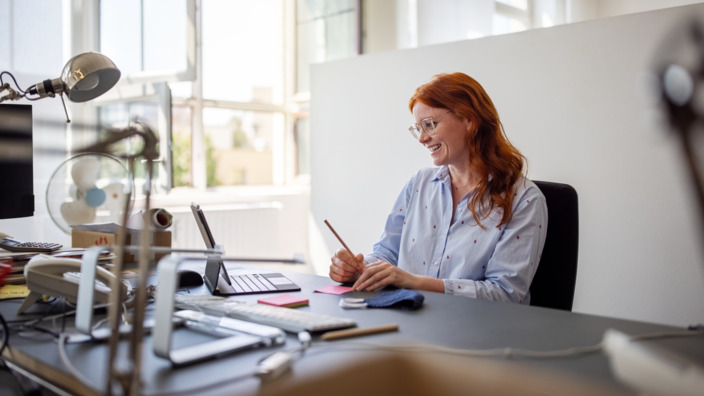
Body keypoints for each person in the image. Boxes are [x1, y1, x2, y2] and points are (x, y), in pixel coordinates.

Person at [329, 72, 548, 304]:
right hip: (409, 319)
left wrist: (413, 281)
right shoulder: (419, 183)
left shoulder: (524, 199)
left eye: (430, 125)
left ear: (469, 120)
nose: (422, 138)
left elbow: (505, 294)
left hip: (476, 333)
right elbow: (387, 254)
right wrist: (357, 268)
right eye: (417, 128)